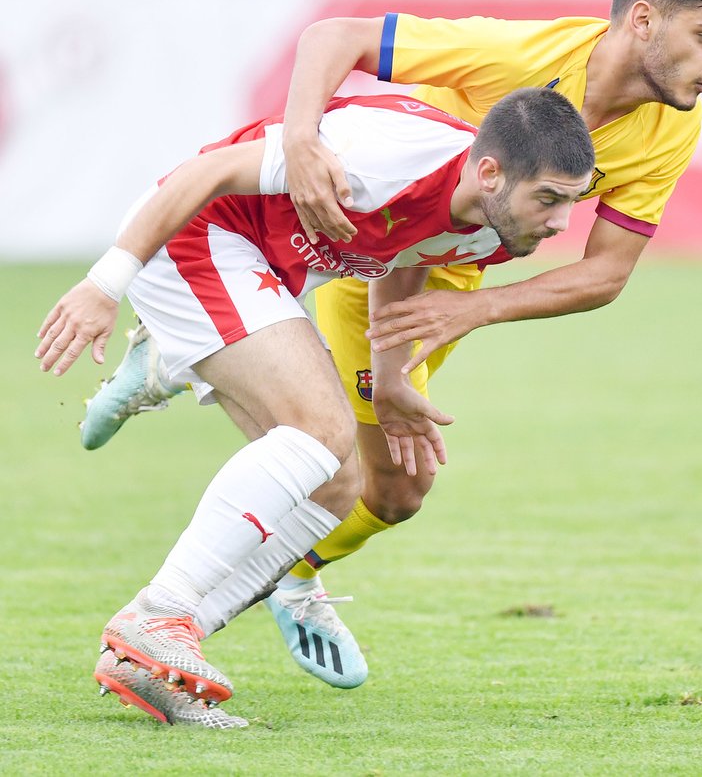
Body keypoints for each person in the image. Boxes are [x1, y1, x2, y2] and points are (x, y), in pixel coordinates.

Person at [79, 0, 702, 688]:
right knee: (325, 449)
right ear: (642, 22)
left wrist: (473, 312)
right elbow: (337, 36)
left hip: (434, 269)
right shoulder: (520, 62)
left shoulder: (673, 128)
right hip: (380, 241)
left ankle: (264, 553)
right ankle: (200, 596)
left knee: (393, 492)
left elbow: (605, 274)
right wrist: (302, 140)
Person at [37, 87, 594, 726]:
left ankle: (152, 652)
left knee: (336, 486)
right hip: (199, 232)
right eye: (548, 199)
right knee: (322, 429)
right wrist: (106, 284)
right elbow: (207, 172)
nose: (559, 224)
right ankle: (160, 610)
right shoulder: (386, 155)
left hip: (267, 272)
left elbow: (407, 257)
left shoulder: (494, 229)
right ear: (490, 172)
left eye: (570, 202)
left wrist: (388, 379)